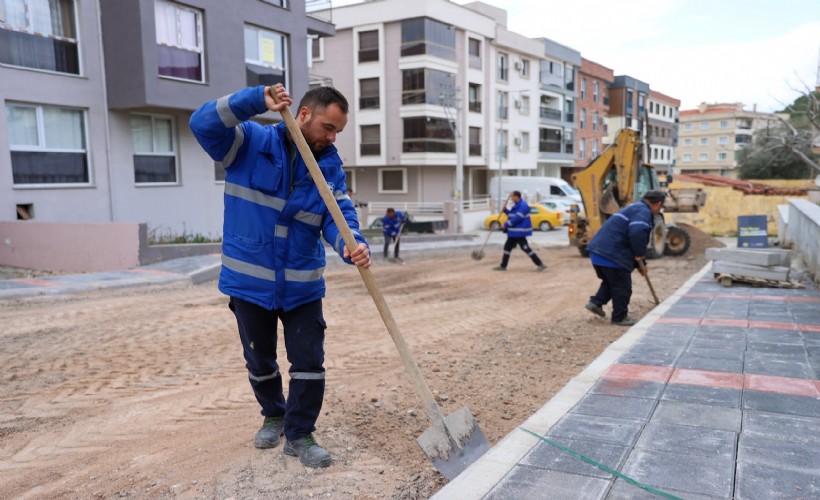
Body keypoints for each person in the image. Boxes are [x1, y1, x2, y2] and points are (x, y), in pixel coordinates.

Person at [189, 83, 371, 469]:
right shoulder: (249, 144)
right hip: (249, 283)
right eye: (327, 126)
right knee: (260, 361)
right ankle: (273, 414)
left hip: (302, 284)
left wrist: (351, 244)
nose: (331, 137)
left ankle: (300, 433)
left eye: (338, 131)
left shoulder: (330, 168)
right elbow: (202, 123)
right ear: (303, 114)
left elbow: (339, 218)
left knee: (309, 362)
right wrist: (254, 100)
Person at [584, 190, 667, 326]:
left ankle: (596, 303)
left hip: (598, 252)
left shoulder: (635, 208)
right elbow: (637, 233)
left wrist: (641, 263)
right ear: (658, 204)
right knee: (622, 286)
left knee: (612, 281)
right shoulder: (643, 212)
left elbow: (631, 237)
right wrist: (640, 255)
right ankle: (619, 317)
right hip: (611, 254)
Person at [493, 190, 547, 272]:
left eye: (512, 196)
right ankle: (503, 266)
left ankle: (540, 264)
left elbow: (517, 218)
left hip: (519, 232)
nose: (511, 198)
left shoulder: (522, 206)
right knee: (507, 248)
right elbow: (512, 215)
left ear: (517, 197)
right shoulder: (517, 205)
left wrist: (506, 224)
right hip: (513, 232)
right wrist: (506, 210)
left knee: (526, 248)